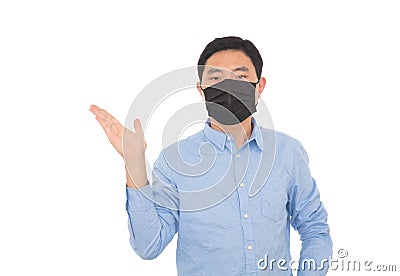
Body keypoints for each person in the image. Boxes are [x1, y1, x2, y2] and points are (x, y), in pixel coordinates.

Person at [90, 36, 332, 275]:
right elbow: (149, 246)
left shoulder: (288, 153)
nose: (228, 87)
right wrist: (134, 164)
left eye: (240, 77)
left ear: (259, 86)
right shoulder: (175, 161)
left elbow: (315, 229)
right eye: (216, 78)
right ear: (201, 90)